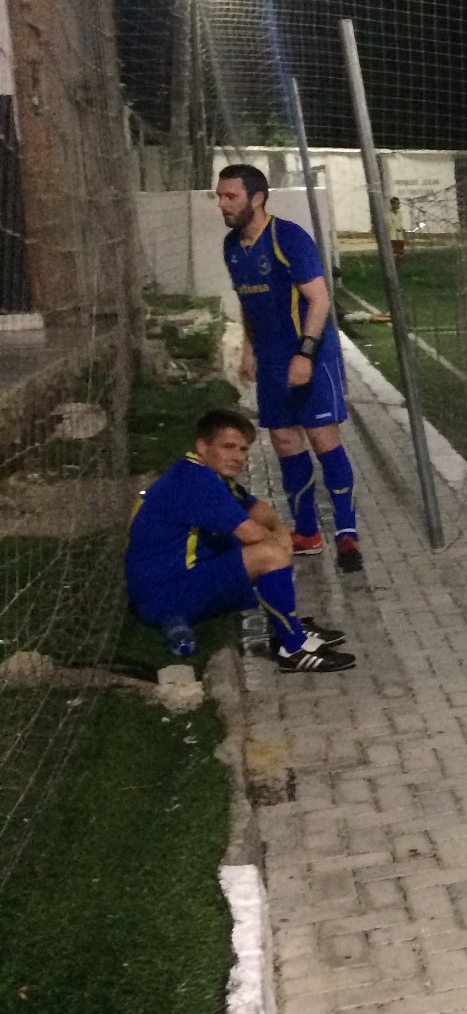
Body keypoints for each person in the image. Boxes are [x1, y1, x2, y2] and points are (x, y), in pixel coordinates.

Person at [125, 409, 354, 673]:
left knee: (261, 547)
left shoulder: (205, 473)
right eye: (228, 447)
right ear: (202, 446)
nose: (237, 457)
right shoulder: (196, 481)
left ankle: (288, 626)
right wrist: (279, 544)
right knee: (268, 555)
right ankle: (293, 648)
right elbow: (252, 534)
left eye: (243, 450)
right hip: (163, 599)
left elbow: (258, 509)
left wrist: (280, 530)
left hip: (177, 582)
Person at [216, 163, 363, 574]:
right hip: (271, 361)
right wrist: (250, 350)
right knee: (284, 442)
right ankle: (307, 532)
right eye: (220, 196)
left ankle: (347, 532)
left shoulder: (288, 237)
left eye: (231, 196)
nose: (222, 204)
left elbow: (319, 299)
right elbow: (248, 303)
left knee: (323, 440)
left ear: (257, 198)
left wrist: (305, 355)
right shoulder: (232, 246)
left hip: (310, 356)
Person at [388, 196, 407, 261]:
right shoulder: (389, 214)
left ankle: (400, 258)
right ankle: (394, 258)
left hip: (399, 234)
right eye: (396, 204)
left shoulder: (399, 214)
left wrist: (402, 229)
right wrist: (397, 228)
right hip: (393, 234)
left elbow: (400, 223)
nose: (397, 205)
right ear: (392, 204)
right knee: (394, 249)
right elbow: (390, 224)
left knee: (400, 246)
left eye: (398, 204)